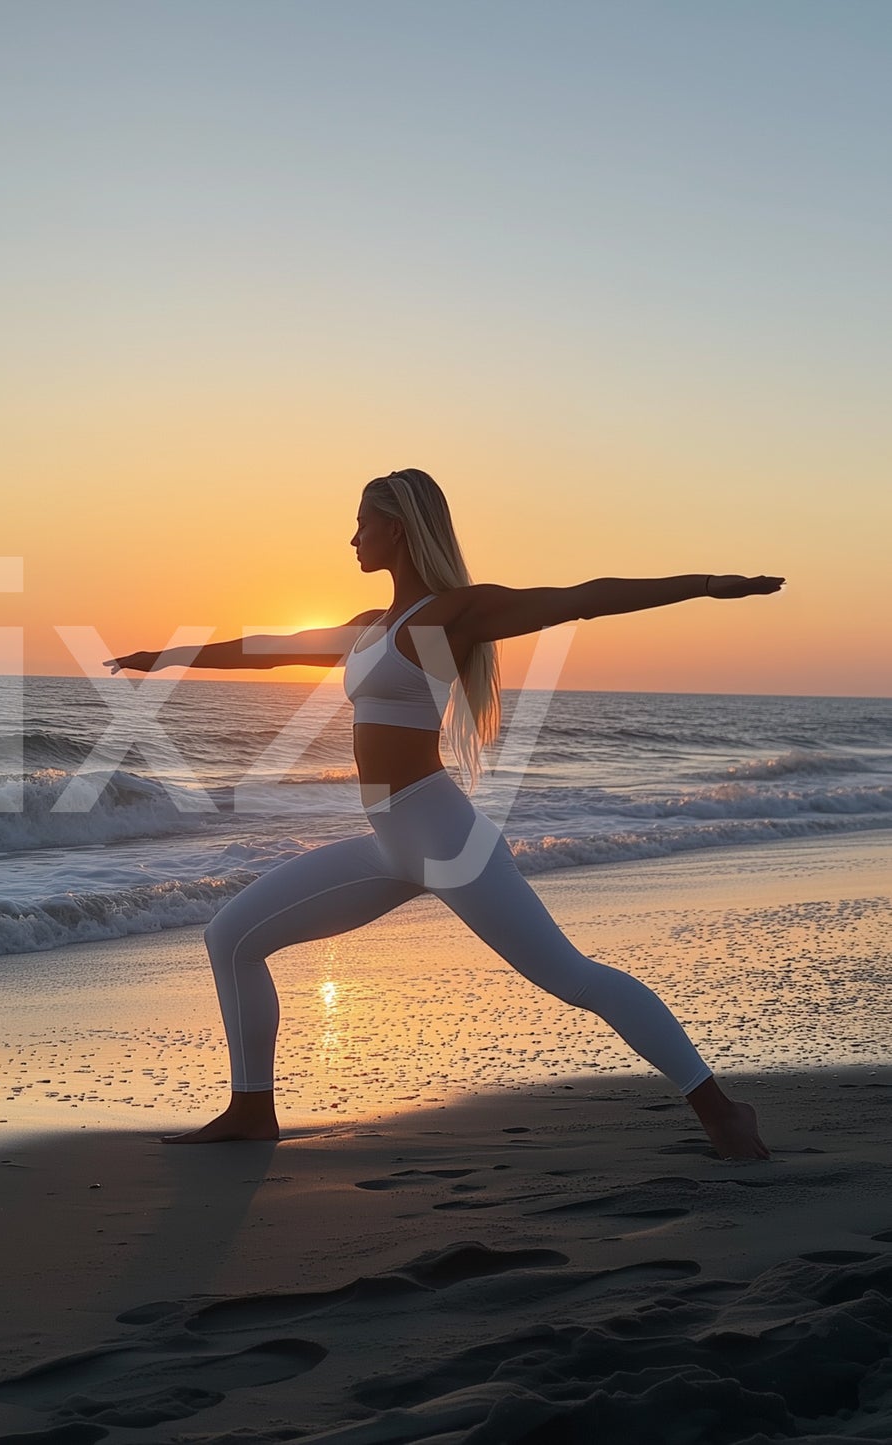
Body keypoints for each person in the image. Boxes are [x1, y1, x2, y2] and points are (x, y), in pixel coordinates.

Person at [104, 468, 783, 1159]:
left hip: (444, 836)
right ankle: (251, 1110)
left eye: (361, 523)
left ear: (396, 527)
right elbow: (265, 651)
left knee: (570, 977)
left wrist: (701, 584)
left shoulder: (450, 614)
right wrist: (160, 658)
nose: (351, 538)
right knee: (232, 937)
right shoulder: (371, 627)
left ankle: (722, 1109)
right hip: (389, 842)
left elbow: (580, 599)